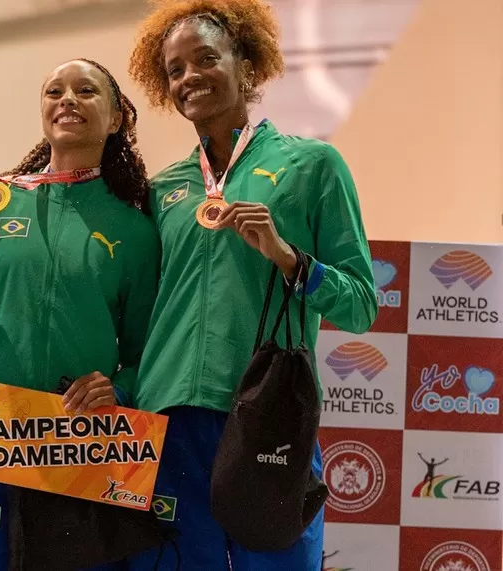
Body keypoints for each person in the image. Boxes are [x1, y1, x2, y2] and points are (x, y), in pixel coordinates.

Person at [123, 1, 377, 569]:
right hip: (169, 420)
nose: (189, 77)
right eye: (175, 69)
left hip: (267, 414)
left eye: (205, 59)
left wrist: (290, 259)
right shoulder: (162, 190)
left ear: (245, 62)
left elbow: (362, 304)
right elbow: (140, 315)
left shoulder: (313, 165)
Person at [0, 58, 160, 570]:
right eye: (54, 91)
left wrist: (119, 388)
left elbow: (148, 350)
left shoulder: (135, 228)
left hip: (82, 444)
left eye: (86, 90)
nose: (67, 100)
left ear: (117, 118)